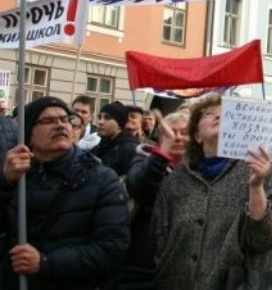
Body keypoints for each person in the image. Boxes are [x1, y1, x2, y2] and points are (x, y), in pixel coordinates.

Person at [151, 94, 272, 290]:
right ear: (197, 135)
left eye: (228, 114)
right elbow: (159, 237)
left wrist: (256, 187)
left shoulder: (260, 173)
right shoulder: (176, 179)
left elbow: (263, 241)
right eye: (209, 113)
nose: (218, 116)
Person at [0, 96, 130, 289]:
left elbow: (113, 249)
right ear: (28, 133)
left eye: (65, 119)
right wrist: (4, 183)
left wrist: (45, 263)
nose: (60, 125)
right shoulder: (13, 174)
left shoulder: (101, 178)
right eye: (48, 121)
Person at [120, 111, 189, 289]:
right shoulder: (143, 159)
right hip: (142, 263)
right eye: (170, 132)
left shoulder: (198, 169)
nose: (177, 137)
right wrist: (162, 155)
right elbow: (140, 186)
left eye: (184, 132)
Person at [91, 101, 140, 177]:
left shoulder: (129, 149)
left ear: (119, 124)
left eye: (107, 118)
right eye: (99, 117)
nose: (100, 122)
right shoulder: (100, 146)